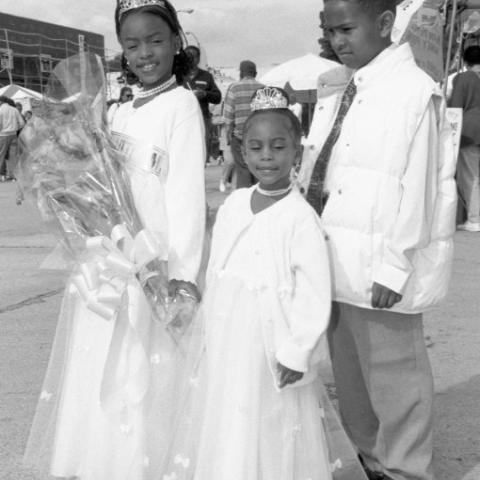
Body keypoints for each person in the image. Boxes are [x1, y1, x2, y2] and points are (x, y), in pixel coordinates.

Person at [24, 1, 206, 480]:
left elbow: (186, 197)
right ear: (121, 51)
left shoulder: (182, 105)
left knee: (139, 373)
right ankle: (99, 464)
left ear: (175, 40)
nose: (144, 53)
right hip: (108, 257)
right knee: (100, 365)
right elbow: (93, 177)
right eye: (132, 44)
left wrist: (182, 277)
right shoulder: (117, 109)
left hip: (151, 262)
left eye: (155, 40)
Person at [162, 86, 368, 480]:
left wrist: (297, 350)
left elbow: (313, 292)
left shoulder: (300, 218)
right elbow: (217, 268)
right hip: (227, 336)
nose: (267, 157)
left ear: (297, 151)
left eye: (278, 147)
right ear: (242, 152)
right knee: (227, 413)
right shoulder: (235, 205)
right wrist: (206, 326)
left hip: (270, 339)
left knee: (268, 417)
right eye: (256, 148)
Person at [299, 1, 456, 479]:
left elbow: (422, 187)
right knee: (352, 380)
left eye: (347, 28)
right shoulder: (344, 87)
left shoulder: (412, 91)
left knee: (396, 384)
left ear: (385, 24)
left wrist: (393, 265)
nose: (337, 40)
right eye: (330, 30)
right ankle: (373, 461)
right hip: (335, 260)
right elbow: (318, 170)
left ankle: (406, 469)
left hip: (383, 267)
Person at [449, 46, 480, 231]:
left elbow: (455, 108)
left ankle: (475, 219)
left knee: (470, 175)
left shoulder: (463, 78)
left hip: (470, 131)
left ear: (465, 61)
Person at [223, 60, 264, 188]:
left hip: (240, 137)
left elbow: (228, 117)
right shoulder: (263, 89)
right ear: (255, 73)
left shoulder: (234, 88)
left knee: (243, 169)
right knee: (258, 168)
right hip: (260, 137)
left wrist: (229, 137)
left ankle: (245, 200)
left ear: (241, 73)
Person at [184, 45, 222, 165]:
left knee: (200, 152)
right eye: (187, 57)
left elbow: (218, 97)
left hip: (202, 119)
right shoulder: (178, 76)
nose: (190, 59)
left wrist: (204, 94)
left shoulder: (206, 76)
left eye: (193, 56)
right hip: (183, 120)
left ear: (198, 58)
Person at [0, 95, 25, 181]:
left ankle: (2, 175)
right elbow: (22, 123)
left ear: (1, 102)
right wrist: (15, 129)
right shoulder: (14, 110)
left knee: (1, 155)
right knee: (13, 156)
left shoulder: (0, 110)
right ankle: (14, 175)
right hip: (13, 135)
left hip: (2, 135)